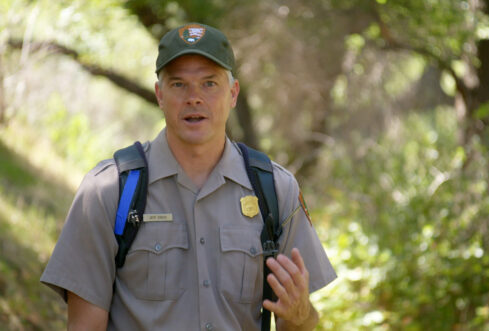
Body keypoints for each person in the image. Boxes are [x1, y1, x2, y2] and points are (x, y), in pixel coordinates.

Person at [41, 22, 336, 331]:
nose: (194, 97)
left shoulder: (275, 190)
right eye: (179, 84)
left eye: (209, 84)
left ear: (233, 93)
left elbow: (300, 323)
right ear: (160, 94)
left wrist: (300, 316)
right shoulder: (109, 190)